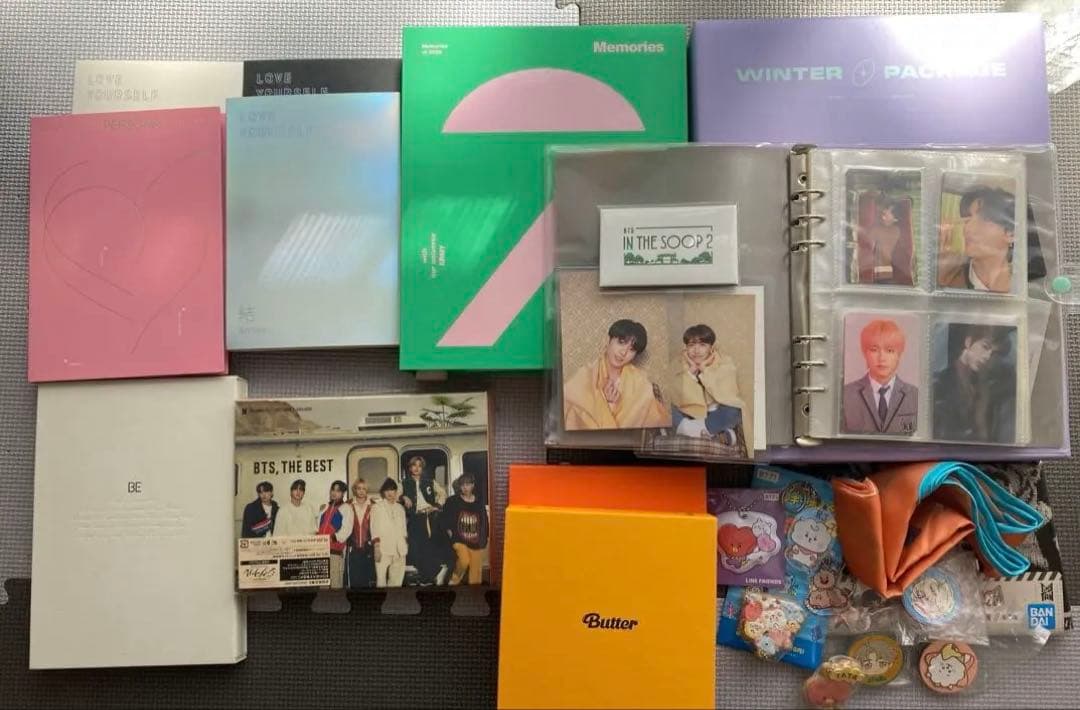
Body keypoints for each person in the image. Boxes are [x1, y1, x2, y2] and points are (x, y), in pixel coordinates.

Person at [563, 318, 669, 430]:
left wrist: (614, 405)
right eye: (621, 342)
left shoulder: (640, 383)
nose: (623, 352)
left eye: (632, 349)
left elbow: (655, 421)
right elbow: (570, 413)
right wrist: (604, 403)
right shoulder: (585, 375)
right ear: (608, 340)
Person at [933, 324, 1016, 442]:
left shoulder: (984, 386)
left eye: (994, 353)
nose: (987, 356)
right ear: (968, 342)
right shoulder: (941, 383)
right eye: (985, 347)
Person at [669, 324, 745, 447]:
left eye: (702, 345)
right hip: (690, 415)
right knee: (666, 407)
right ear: (686, 348)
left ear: (711, 348)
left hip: (715, 414)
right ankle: (715, 435)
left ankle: (689, 431)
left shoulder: (725, 363)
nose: (696, 350)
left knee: (735, 410)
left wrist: (704, 369)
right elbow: (676, 397)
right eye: (691, 345)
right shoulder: (678, 364)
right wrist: (691, 372)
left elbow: (728, 396)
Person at [842, 319, 919, 435]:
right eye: (874, 350)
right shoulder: (845, 395)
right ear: (865, 353)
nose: (882, 358)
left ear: (899, 355)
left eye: (889, 350)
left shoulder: (915, 396)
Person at [938, 186, 1015, 292]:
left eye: (984, 219)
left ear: (1010, 234)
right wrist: (940, 279)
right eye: (967, 220)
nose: (967, 229)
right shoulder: (949, 277)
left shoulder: (1025, 285)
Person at [400, 456, 448, 585]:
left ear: (422, 468)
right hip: (414, 518)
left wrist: (436, 506)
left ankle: (427, 578)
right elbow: (396, 495)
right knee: (414, 549)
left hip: (429, 517)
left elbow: (443, 493)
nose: (416, 468)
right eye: (414, 465)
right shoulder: (404, 483)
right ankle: (436, 571)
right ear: (410, 468)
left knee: (426, 548)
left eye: (419, 466)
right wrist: (403, 497)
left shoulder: (430, 482)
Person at [441, 472, 490, 585]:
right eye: (462, 485)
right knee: (464, 560)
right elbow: (444, 518)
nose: (465, 488)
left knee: (476, 569)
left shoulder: (478, 502)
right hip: (459, 539)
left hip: (475, 540)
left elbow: (484, 522)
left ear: (473, 485)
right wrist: (449, 532)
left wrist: (484, 538)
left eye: (468, 484)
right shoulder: (452, 501)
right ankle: (454, 580)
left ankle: (474, 590)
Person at [856, 197, 913, 286]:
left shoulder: (882, 230)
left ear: (895, 218)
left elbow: (866, 240)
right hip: (886, 273)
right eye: (883, 214)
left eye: (886, 214)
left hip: (878, 274)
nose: (883, 217)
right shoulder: (896, 230)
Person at [370, 478, 408, 588]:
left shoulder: (400, 508)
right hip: (383, 549)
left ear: (396, 492)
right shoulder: (377, 507)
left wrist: (405, 544)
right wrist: (377, 547)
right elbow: (374, 528)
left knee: (396, 583)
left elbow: (404, 529)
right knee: (381, 581)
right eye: (387, 490)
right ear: (383, 492)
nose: (390, 493)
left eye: (392, 490)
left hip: (399, 550)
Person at [317, 480, 353, 589]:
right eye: (333, 489)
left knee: (335, 584)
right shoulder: (325, 508)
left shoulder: (346, 508)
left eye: (338, 491)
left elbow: (346, 530)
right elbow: (317, 527)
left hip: (335, 552)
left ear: (343, 493)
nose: (334, 493)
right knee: (322, 585)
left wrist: (332, 538)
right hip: (321, 552)